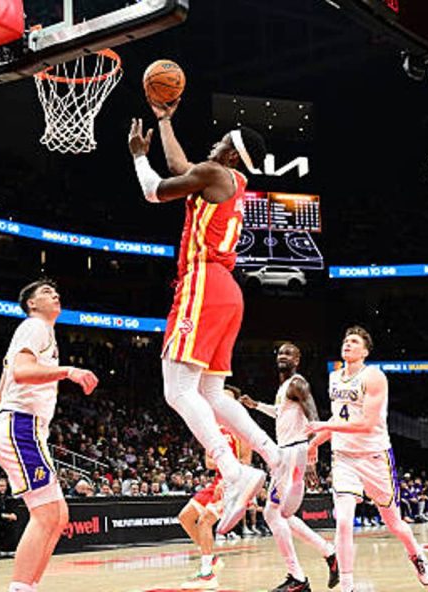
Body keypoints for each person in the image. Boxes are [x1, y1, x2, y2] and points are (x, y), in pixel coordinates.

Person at [128, 99, 302, 535]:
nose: (214, 143)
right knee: (211, 390)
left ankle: (234, 469)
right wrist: (165, 122)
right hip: (227, 290)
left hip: (203, 282)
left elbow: (156, 187)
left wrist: (138, 154)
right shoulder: (233, 178)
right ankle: (273, 455)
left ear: (228, 153)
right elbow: (186, 164)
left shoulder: (216, 173)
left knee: (177, 388)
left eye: (221, 141)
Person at [0, 278, 99, 592]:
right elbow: (22, 372)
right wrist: (68, 371)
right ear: (31, 304)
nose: (56, 294)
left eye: (56, 291)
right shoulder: (34, 326)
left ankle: (29, 586)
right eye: (47, 292)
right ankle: (20, 588)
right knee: (47, 514)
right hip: (20, 426)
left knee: (58, 515)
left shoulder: (40, 331)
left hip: (27, 428)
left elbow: (5, 383)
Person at [308, 327, 428, 592]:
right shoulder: (333, 377)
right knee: (343, 521)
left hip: (374, 455)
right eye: (345, 340)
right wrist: (315, 442)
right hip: (343, 457)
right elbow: (337, 419)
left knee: (394, 523)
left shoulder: (374, 377)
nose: (348, 344)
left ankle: (416, 554)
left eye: (354, 342)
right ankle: (347, 586)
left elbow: (366, 423)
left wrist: (320, 427)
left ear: (365, 351)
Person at [241, 343, 339, 591]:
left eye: (288, 354)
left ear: (297, 359)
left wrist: (312, 453)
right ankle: (328, 553)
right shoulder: (285, 387)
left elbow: (314, 418)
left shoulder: (298, 383)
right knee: (282, 514)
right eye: (280, 353)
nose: (283, 357)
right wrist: (256, 406)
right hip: (288, 452)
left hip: (294, 452)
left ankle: (298, 577)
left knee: (272, 514)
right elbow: (281, 413)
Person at [177, 385, 247, 589]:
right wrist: (225, 462)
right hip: (217, 482)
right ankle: (212, 559)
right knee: (185, 517)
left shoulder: (241, 429)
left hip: (234, 483)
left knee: (205, 522)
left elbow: (245, 460)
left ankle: (207, 574)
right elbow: (209, 462)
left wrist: (228, 469)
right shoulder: (212, 429)